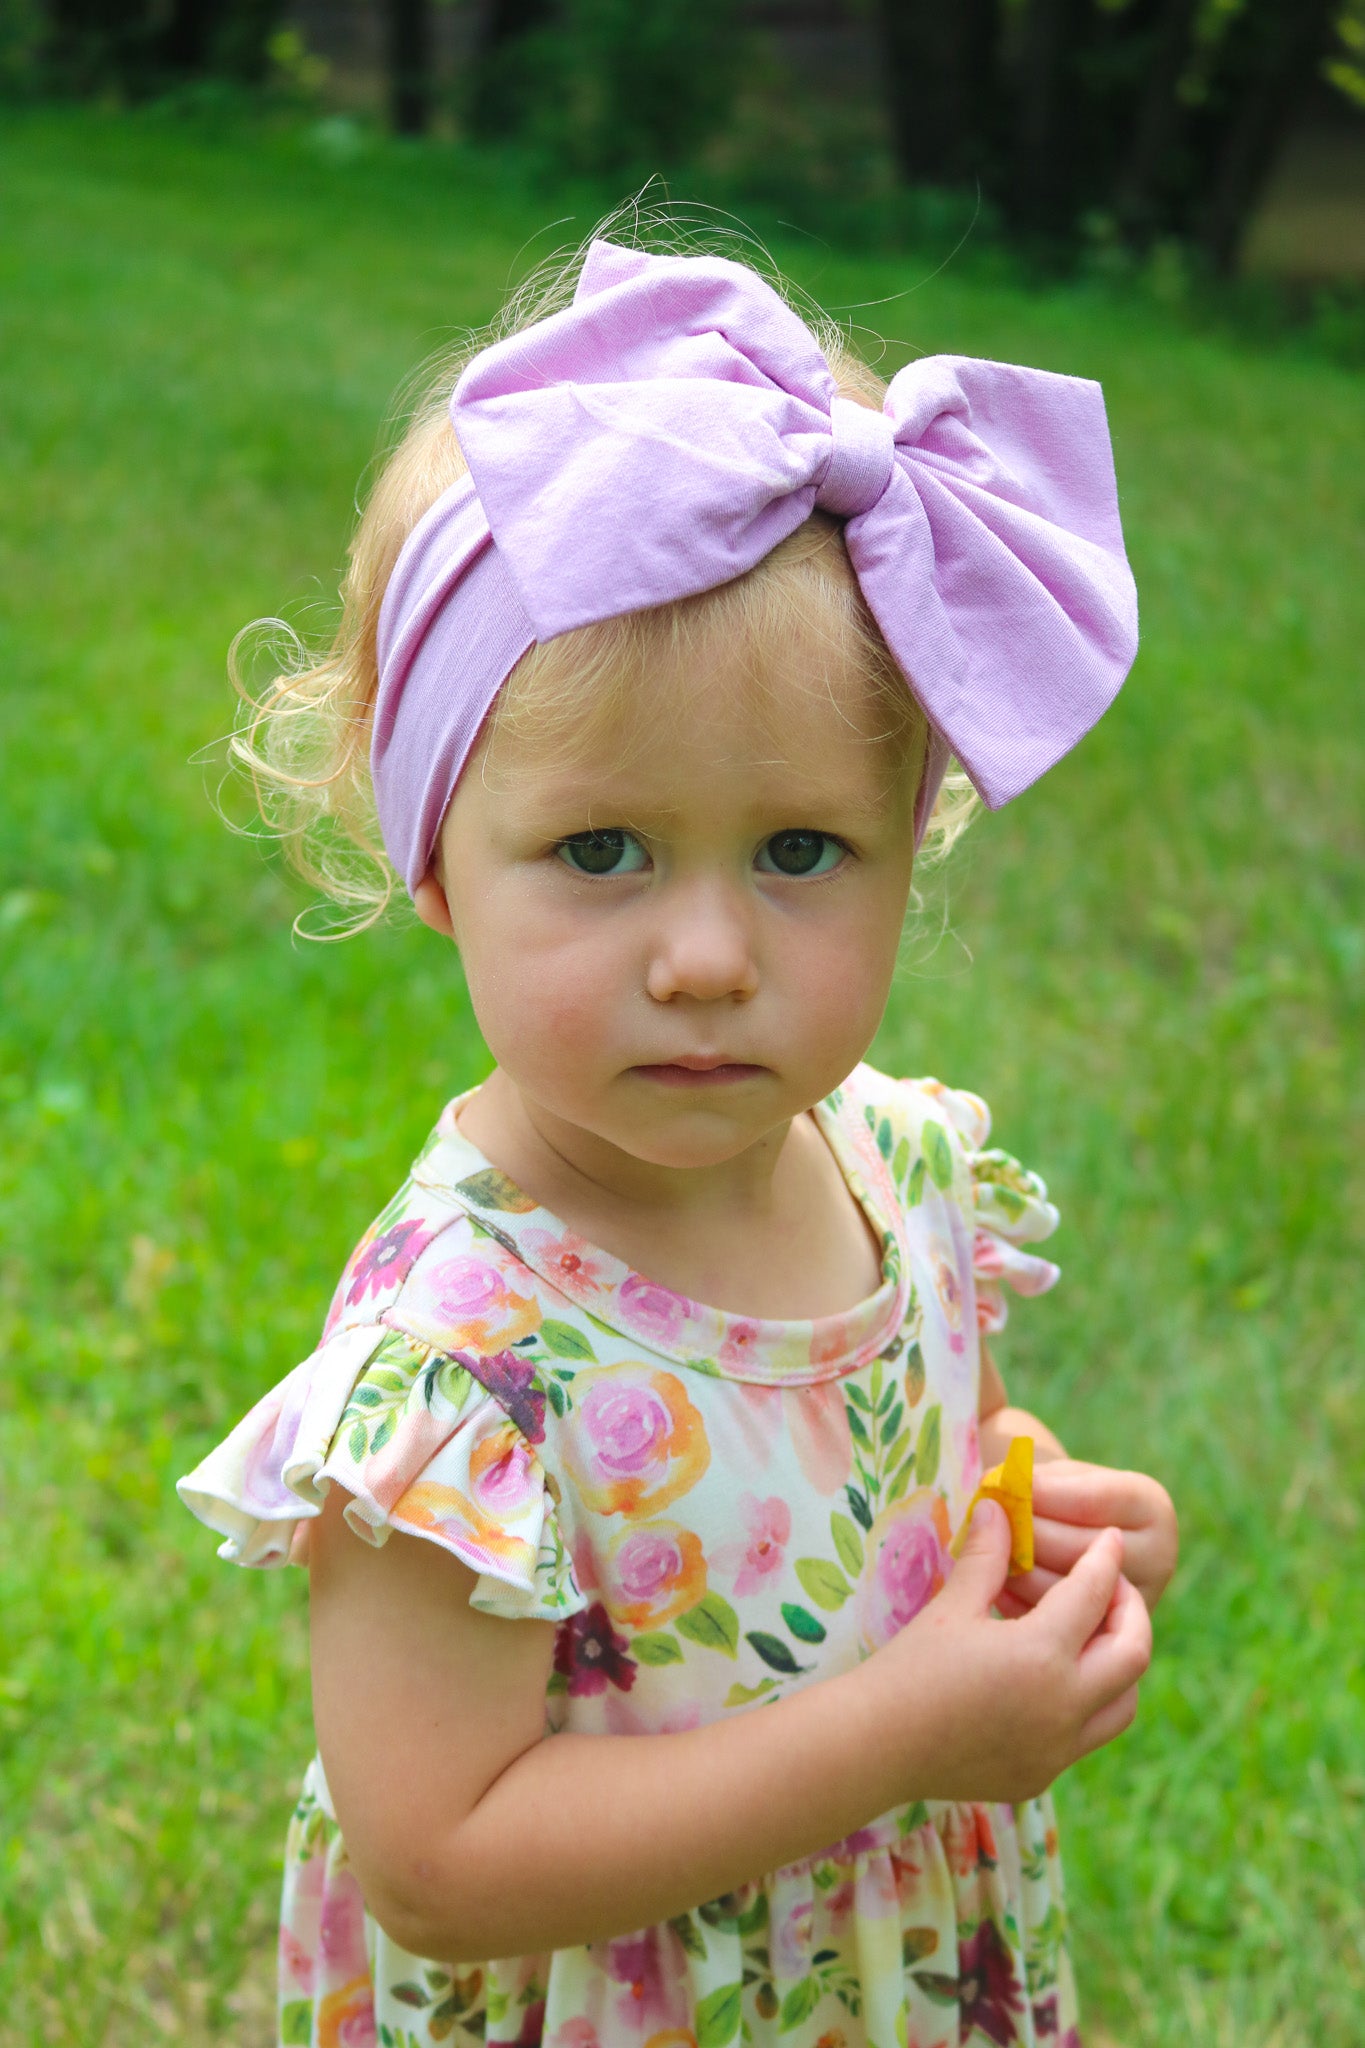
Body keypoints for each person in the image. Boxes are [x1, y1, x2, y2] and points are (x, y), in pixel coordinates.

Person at [178, 222, 1178, 2048]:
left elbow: (863, 1479)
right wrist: (915, 1733)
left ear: (906, 841)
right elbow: (439, 1857)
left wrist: (1033, 1535)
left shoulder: (912, 1170)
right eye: (600, 853)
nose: (707, 958)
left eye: (800, 852)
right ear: (430, 859)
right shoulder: (459, 1358)